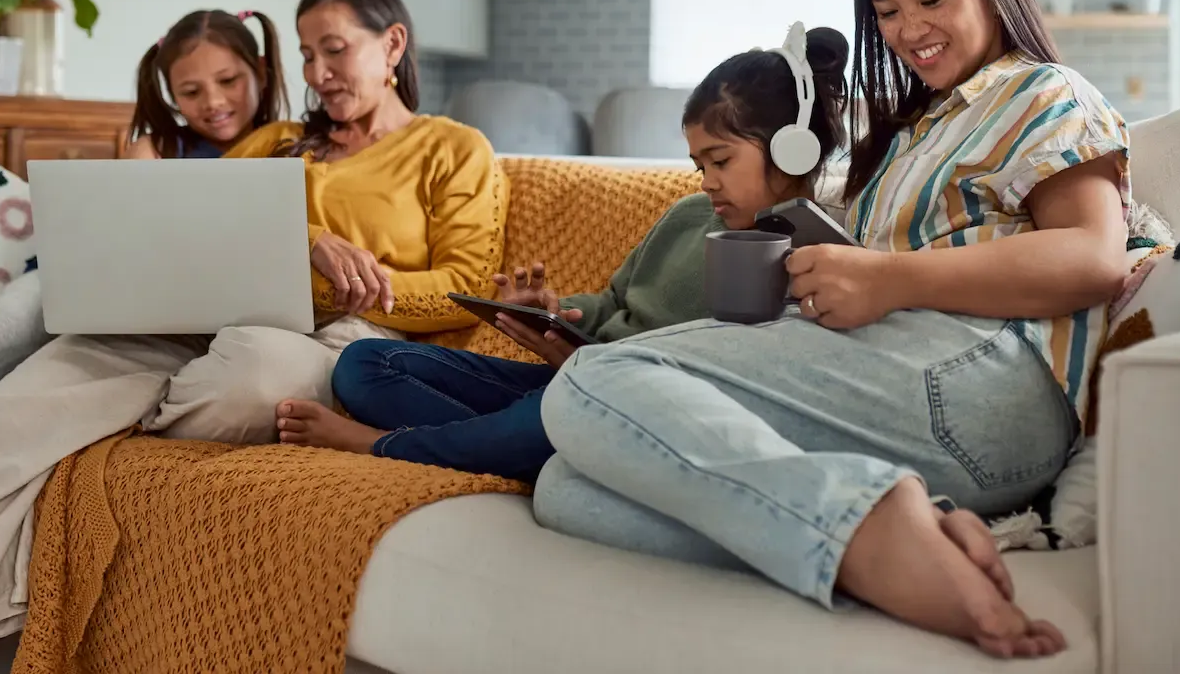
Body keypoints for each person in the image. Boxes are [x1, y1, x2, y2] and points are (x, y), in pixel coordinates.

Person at [534, 0, 1131, 660]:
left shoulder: (1042, 93)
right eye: (885, 11)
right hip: (907, 393)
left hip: (987, 379)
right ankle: (900, 531)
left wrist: (888, 279)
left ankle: (876, 533)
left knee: (588, 381)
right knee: (569, 490)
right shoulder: (918, 126)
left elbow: (1092, 256)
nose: (908, 29)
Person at [0, 0, 506, 673]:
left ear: (392, 45)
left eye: (334, 50)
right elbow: (187, 210)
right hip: (195, 319)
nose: (318, 73)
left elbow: (465, 287)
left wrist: (346, 288)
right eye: (305, 55)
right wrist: (303, 239)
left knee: (252, 372)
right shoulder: (276, 139)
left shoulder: (453, 149)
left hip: (328, 336)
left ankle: (105, 418)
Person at [0, 8, 288, 636]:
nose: (215, 103)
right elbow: (129, 240)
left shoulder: (292, 149)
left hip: (164, 330)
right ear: (169, 94)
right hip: (94, 294)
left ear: (260, 69)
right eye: (192, 91)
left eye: (229, 81)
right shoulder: (153, 144)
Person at [276, 25, 851, 484]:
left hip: (627, 405)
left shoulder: (820, 256)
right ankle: (514, 446)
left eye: (721, 162)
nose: (706, 182)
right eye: (699, 165)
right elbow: (614, 305)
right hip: (572, 379)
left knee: (559, 413)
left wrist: (590, 369)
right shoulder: (688, 216)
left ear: (790, 149)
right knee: (366, 364)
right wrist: (554, 314)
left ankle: (386, 446)